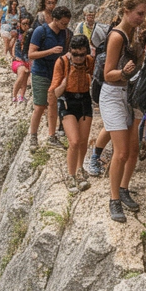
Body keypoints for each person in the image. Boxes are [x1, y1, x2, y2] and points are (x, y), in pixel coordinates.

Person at [100, 0, 146, 223]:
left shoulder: (134, 34)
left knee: (131, 150)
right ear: (126, 11)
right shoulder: (118, 36)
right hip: (113, 94)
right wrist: (125, 72)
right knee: (120, 152)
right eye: (139, 13)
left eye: (145, 14)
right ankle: (114, 199)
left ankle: (123, 188)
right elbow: (108, 74)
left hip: (129, 95)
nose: (142, 18)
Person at [50, 34, 95, 192]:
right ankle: (71, 175)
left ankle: (80, 169)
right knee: (74, 141)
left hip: (84, 101)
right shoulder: (62, 63)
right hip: (67, 101)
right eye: (75, 54)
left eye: (82, 54)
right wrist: (65, 82)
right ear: (70, 52)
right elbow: (55, 92)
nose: (78, 58)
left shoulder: (89, 62)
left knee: (83, 141)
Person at [27, 6, 72, 150]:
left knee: (53, 104)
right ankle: (33, 136)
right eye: (63, 23)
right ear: (55, 20)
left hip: (56, 73)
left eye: (67, 24)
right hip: (40, 72)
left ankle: (52, 136)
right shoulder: (41, 31)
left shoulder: (65, 34)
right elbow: (31, 54)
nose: (65, 26)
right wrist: (50, 51)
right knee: (40, 106)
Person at [10, 15, 33, 103]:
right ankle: (14, 95)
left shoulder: (31, 35)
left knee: (25, 79)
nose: (26, 26)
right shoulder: (18, 34)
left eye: (28, 24)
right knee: (22, 73)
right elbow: (13, 48)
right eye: (24, 24)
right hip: (18, 61)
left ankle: (21, 96)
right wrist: (14, 57)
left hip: (27, 60)